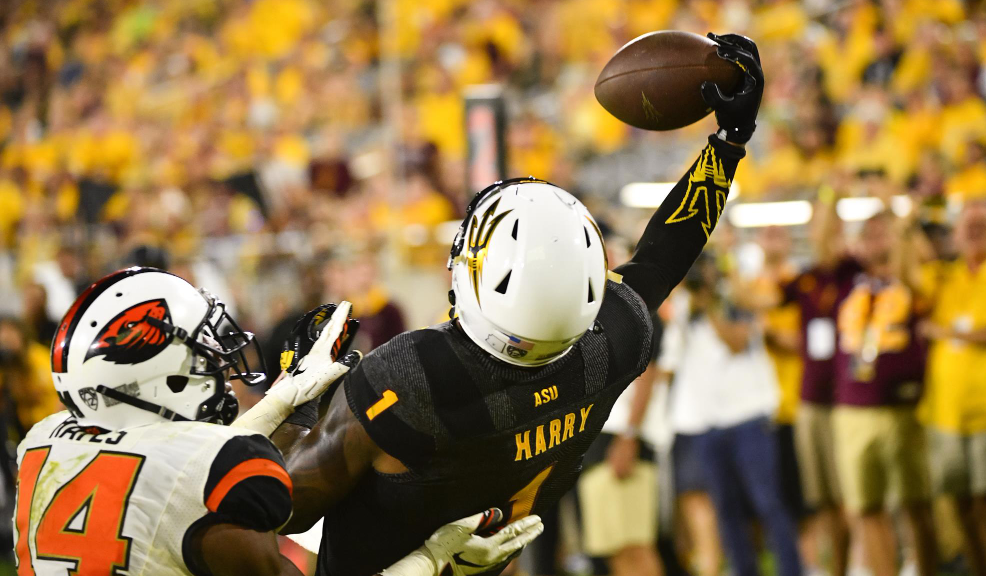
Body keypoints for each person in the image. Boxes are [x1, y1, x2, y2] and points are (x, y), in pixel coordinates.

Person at [264, 33, 765, 576]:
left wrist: (298, 404)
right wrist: (730, 141)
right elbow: (663, 258)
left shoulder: (409, 377)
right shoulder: (611, 346)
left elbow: (284, 505)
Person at [14, 267, 541, 575]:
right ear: (158, 378)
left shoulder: (42, 444)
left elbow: (161, 472)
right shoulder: (214, 472)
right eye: (205, 359)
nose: (223, 371)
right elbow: (189, 474)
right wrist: (432, 558)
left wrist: (286, 399)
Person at [664, 253, 802, 576]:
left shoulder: (734, 299)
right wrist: (687, 296)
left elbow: (737, 342)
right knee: (727, 511)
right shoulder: (685, 307)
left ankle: (791, 570)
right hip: (709, 423)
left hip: (748, 418)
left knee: (767, 504)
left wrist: (711, 302)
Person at [832, 210, 937, 576]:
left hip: (902, 409)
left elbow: (921, 268)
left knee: (916, 504)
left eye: (884, 233)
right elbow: (823, 239)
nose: (876, 240)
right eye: (869, 233)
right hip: (852, 409)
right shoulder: (847, 279)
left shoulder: (914, 278)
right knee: (865, 508)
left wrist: (903, 224)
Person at [919, 201, 986, 575]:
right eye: (968, 226)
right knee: (959, 503)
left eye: (982, 225)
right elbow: (909, 276)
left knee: (983, 503)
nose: (974, 231)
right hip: (946, 412)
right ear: (955, 236)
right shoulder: (946, 277)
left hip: (983, 413)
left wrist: (946, 331)